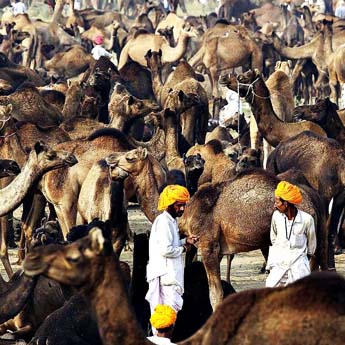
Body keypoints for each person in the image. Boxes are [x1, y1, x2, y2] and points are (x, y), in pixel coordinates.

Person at [145, 185, 198, 324]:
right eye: (179, 205)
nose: (182, 209)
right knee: (164, 319)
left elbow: (171, 243)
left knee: (169, 319)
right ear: (169, 205)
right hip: (165, 278)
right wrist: (184, 249)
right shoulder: (163, 222)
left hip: (170, 276)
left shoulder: (171, 221)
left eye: (183, 205)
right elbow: (166, 250)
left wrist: (185, 240)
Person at [265, 181, 316, 288]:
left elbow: (311, 246)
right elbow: (273, 238)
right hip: (279, 264)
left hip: (298, 266)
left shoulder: (307, 219)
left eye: (277, 202)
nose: (275, 205)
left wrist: (301, 259)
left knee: (300, 295)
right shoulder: (276, 216)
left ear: (286, 203)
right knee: (270, 290)